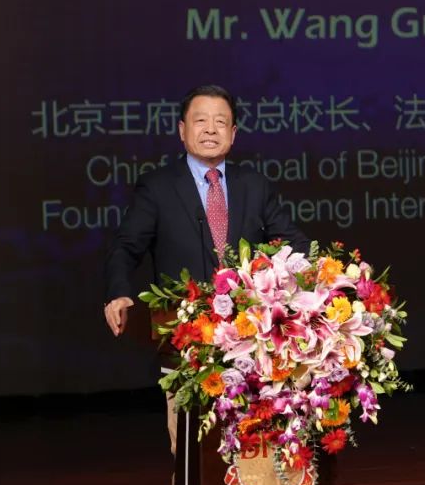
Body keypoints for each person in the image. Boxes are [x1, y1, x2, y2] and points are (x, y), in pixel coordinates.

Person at [103, 84, 308, 459]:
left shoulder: (255, 186)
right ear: (182, 130)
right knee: (194, 460)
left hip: (253, 344)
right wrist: (118, 292)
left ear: (233, 133)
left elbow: (294, 245)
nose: (211, 130)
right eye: (201, 121)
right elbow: (126, 247)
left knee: (258, 455)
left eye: (220, 122)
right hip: (188, 347)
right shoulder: (158, 187)